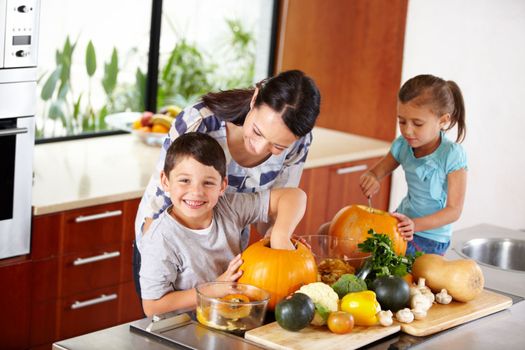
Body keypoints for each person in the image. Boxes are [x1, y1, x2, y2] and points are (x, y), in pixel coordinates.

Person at [132, 69, 320, 296]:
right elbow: (159, 216)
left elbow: (269, 214)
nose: (260, 148)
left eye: (278, 147)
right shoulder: (200, 122)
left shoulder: (298, 142)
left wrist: (280, 234)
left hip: (227, 261)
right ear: (254, 98)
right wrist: (202, 277)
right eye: (257, 132)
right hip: (171, 258)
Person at [138, 132, 307, 316]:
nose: (196, 192)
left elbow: (295, 196)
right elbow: (152, 306)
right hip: (181, 331)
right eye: (184, 180)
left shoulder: (228, 207)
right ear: (165, 181)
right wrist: (215, 289)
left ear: (222, 186)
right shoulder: (160, 239)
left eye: (208, 183)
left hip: (231, 318)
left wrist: (279, 235)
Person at [359, 74, 467, 256]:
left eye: (417, 123)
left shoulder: (452, 154)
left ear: (443, 121)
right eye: (402, 121)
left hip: (431, 238)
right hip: (400, 225)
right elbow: (376, 173)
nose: (407, 130)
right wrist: (371, 178)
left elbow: (454, 211)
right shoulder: (402, 145)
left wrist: (414, 225)